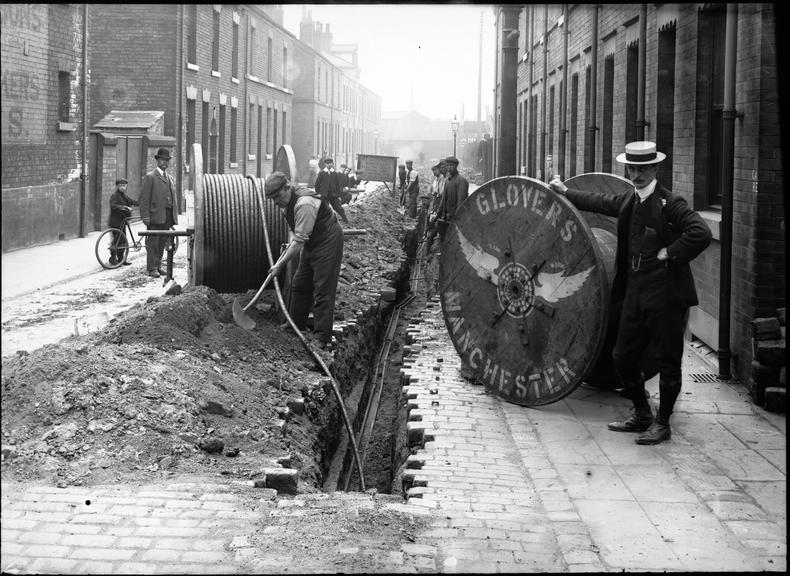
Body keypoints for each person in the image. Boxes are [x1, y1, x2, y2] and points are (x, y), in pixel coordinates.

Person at [549, 141, 712, 445]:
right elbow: (599, 201)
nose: (636, 175)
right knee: (622, 357)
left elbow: (700, 232)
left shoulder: (670, 203)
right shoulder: (629, 201)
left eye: (642, 169)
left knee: (667, 361)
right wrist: (566, 192)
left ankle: (662, 424)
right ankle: (642, 413)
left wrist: (670, 253)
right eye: (632, 169)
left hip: (666, 298)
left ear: (654, 169)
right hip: (635, 296)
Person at [263, 171, 343, 350]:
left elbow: (299, 241)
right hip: (311, 242)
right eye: (272, 199)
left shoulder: (304, 203)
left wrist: (279, 265)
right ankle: (295, 325)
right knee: (299, 284)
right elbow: (297, 233)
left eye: (277, 196)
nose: (276, 202)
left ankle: (322, 337)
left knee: (322, 288)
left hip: (327, 240)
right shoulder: (286, 203)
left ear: (287, 188)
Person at [139, 147, 178, 278]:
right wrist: (145, 217)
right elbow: (144, 199)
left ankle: (159, 265)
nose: (164, 162)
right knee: (153, 243)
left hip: (166, 216)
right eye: (162, 160)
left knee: (162, 242)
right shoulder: (150, 177)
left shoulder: (170, 178)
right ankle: (152, 268)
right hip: (155, 216)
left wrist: (173, 218)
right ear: (157, 161)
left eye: (167, 160)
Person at [426, 156, 468, 255]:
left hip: (453, 219)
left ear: (456, 166)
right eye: (448, 165)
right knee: (443, 240)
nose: (449, 168)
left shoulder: (461, 181)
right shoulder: (448, 181)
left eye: (451, 165)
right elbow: (443, 200)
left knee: (454, 243)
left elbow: (461, 203)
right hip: (445, 218)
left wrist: (456, 219)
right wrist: (438, 215)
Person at [107, 177, 138, 266]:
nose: (122, 187)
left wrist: (141, 203)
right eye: (120, 186)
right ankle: (113, 259)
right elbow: (113, 206)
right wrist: (125, 207)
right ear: (117, 186)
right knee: (116, 241)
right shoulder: (115, 196)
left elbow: (131, 201)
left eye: (124, 186)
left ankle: (121, 259)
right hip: (115, 222)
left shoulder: (124, 195)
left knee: (122, 241)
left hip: (122, 221)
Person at [315, 157, 348, 224]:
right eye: (327, 163)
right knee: (323, 209)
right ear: (325, 164)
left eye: (330, 163)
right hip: (324, 195)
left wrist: (338, 194)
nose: (329, 165)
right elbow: (317, 184)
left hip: (333, 195)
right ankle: (322, 223)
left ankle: (346, 220)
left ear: (333, 164)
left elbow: (338, 185)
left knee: (339, 208)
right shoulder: (322, 173)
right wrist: (319, 193)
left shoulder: (335, 174)